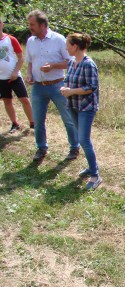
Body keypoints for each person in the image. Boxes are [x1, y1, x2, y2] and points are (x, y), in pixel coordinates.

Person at [26, 10, 79, 161]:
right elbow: (30, 62)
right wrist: (29, 74)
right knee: (38, 120)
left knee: (67, 118)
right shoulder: (31, 41)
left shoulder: (58, 39)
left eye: (32, 24)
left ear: (42, 25)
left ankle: (74, 147)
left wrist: (53, 66)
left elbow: (70, 61)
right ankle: (41, 148)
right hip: (38, 86)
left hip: (57, 85)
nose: (30, 27)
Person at [60, 33, 101, 190]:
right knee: (81, 137)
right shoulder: (71, 63)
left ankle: (95, 175)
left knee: (83, 140)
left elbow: (91, 87)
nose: (66, 47)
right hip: (73, 106)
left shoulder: (88, 64)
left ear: (75, 46)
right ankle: (91, 167)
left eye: (68, 45)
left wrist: (72, 91)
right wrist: (65, 88)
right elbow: (67, 80)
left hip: (86, 107)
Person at [0, 16, 33, 133]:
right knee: (7, 101)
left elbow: (21, 58)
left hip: (15, 76)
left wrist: (15, 72)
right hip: (1, 78)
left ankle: (33, 123)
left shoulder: (11, 39)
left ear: (2, 25)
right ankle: (14, 123)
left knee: (24, 99)